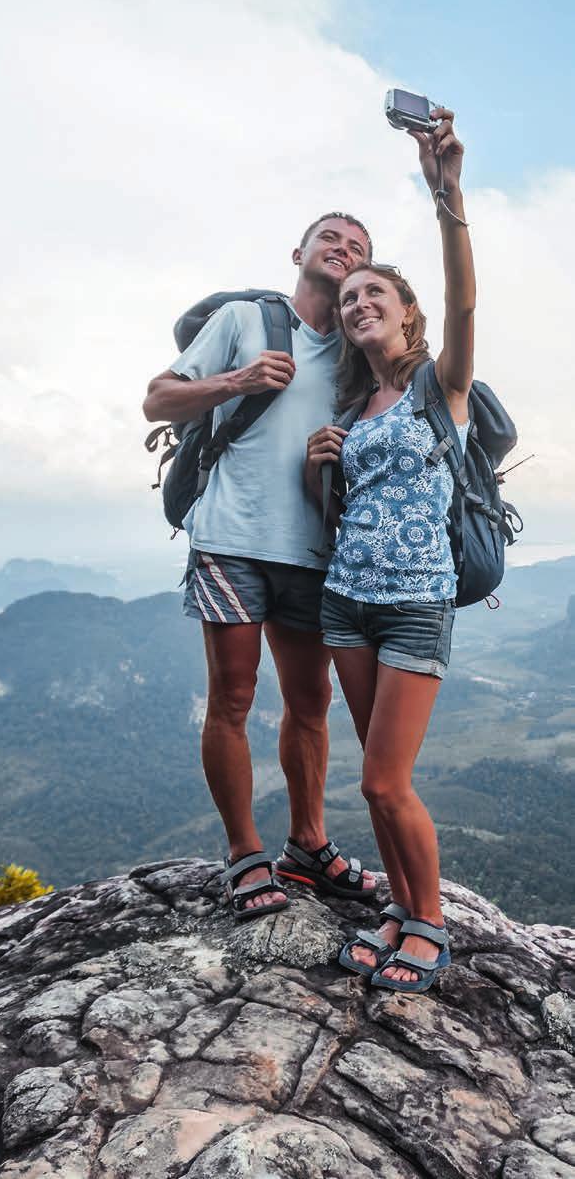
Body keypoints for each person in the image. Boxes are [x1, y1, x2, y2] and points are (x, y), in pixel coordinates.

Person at [142, 215, 379, 921]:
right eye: (331, 238)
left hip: (312, 549)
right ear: (299, 253)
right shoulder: (245, 320)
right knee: (234, 699)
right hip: (231, 539)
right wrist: (236, 381)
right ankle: (246, 854)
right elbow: (157, 397)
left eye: (360, 247)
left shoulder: (357, 350)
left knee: (310, 704)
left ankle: (307, 844)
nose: (344, 249)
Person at [305, 107, 472, 993]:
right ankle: (402, 909)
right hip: (346, 601)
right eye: (349, 297)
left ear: (407, 316)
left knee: (384, 779)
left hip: (414, 601)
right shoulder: (352, 414)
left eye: (377, 293)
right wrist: (316, 465)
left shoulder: (442, 391)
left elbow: (465, 300)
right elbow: (339, 516)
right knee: (374, 780)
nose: (360, 301)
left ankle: (431, 923)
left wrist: (447, 195)